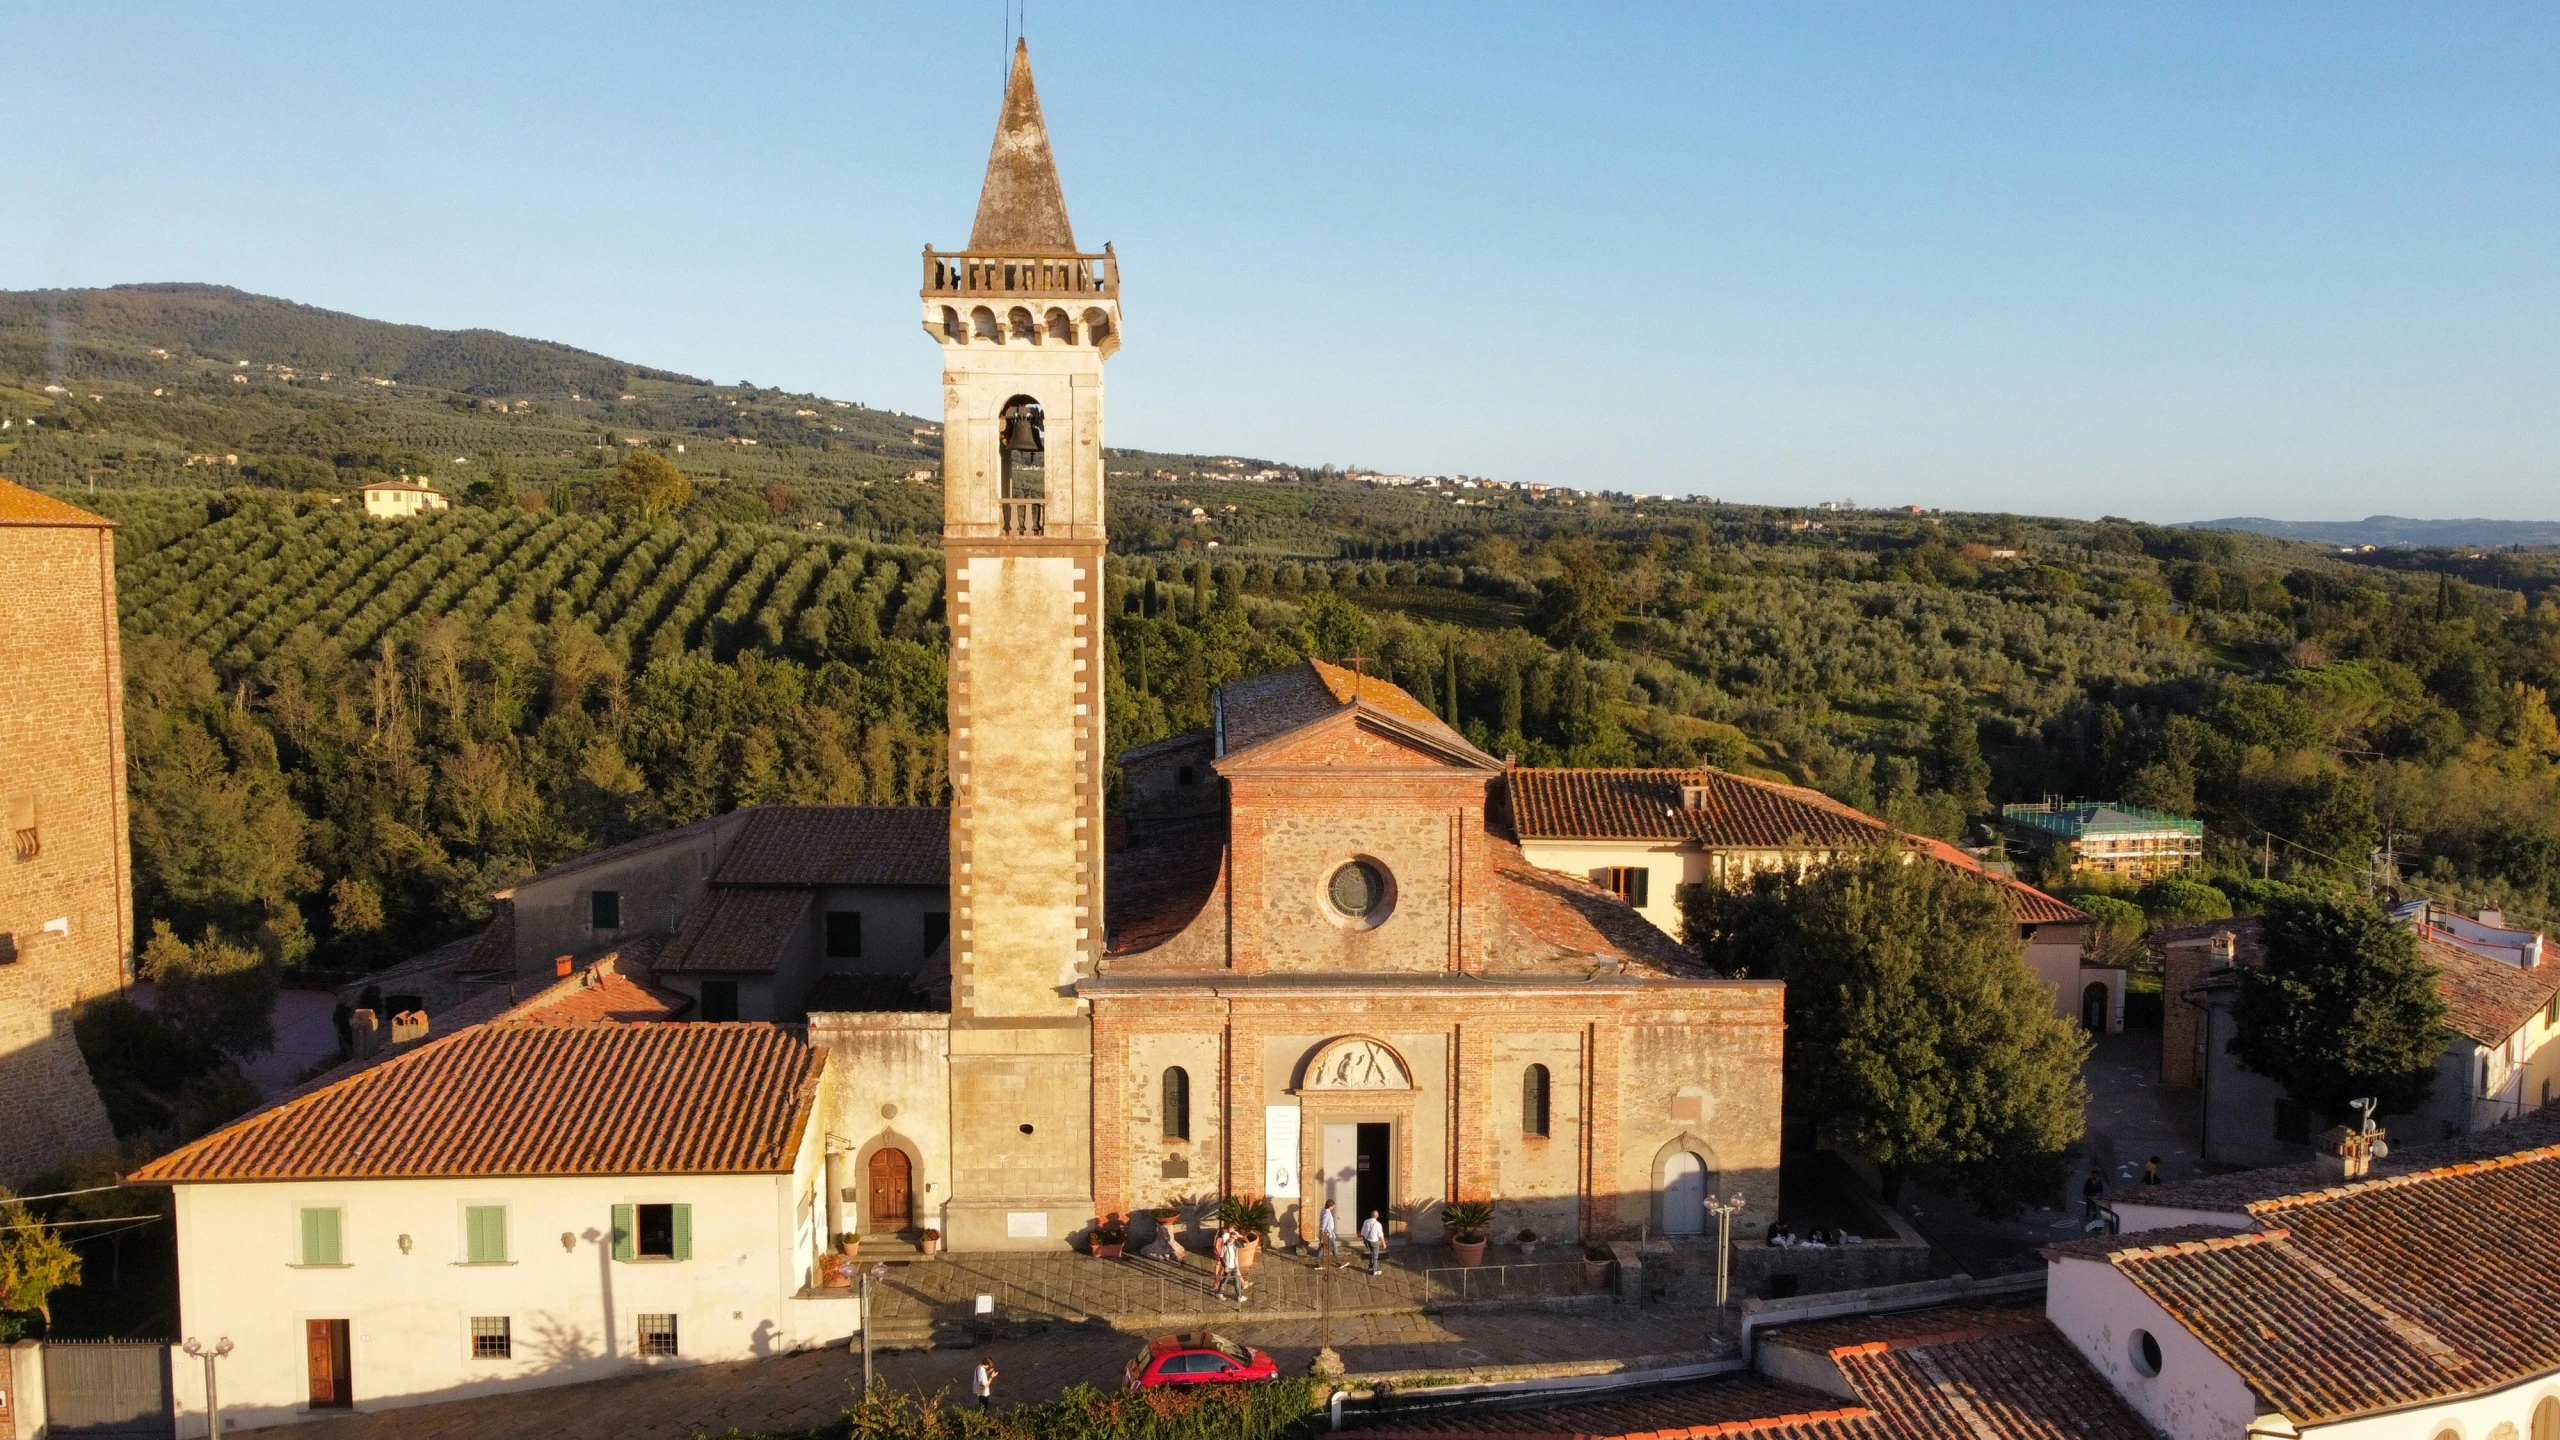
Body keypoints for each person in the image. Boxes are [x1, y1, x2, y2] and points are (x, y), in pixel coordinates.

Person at [1215, 1227, 1245, 1303]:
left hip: (1234, 1266)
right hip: (1228, 1267)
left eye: (1233, 1238)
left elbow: (1242, 1245)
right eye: (1230, 1238)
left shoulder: (1235, 1246)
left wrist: (1236, 1236)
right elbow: (1221, 1257)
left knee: (1236, 1281)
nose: (1231, 1239)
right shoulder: (1224, 1247)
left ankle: (1239, 1296)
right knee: (1224, 1280)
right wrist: (1225, 1267)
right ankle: (1219, 1293)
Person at [1318, 1199, 1349, 1267]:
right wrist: (1322, 1231)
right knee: (1334, 1247)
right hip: (1327, 1234)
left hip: (1327, 1233)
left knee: (1322, 1247)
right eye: (1333, 1206)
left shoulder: (1324, 1210)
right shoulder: (1326, 1213)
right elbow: (1324, 1222)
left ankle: (1318, 1263)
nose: (1334, 1207)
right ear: (1331, 1206)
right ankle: (1338, 1262)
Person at [1360, 1209, 1386, 1276]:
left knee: (1371, 1252)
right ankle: (1375, 1270)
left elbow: (1362, 1231)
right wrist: (1384, 1243)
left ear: (1371, 1215)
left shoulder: (1366, 1221)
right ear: (1377, 1216)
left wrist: (1364, 1239)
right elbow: (1381, 1235)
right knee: (1375, 1256)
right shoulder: (1378, 1224)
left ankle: (1370, 1266)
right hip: (1374, 1241)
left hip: (1367, 1240)